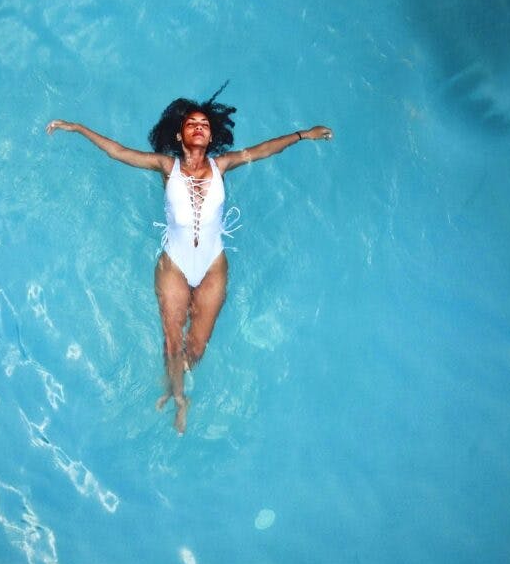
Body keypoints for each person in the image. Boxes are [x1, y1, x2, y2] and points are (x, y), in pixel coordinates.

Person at [46, 86, 332, 433]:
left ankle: (176, 380)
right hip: (175, 266)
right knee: (171, 339)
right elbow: (118, 151)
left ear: (211, 137)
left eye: (205, 124)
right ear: (180, 135)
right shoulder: (167, 166)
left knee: (196, 346)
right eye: (192, 123)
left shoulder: (222, 164)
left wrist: (303, 135)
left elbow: (263, 149)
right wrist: (77, 127)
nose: (199, 126)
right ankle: (180, 398)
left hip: (212, 264)